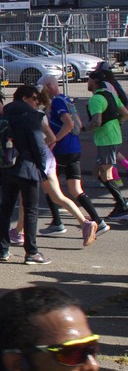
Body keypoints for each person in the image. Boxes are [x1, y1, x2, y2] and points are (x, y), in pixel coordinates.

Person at [38, 74, 111, 242]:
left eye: (43, 89)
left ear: (49, 86)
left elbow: (69, 123)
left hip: (62, 150)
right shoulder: (66, 99)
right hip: (74, 148)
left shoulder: (57, 102)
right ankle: (99, 222)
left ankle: (57, 222)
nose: (43, 93)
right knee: (75, 189)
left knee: (48, 186)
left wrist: (54, 140)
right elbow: (77, 121)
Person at [0, 85, 52, 265]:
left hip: (7, 165)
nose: (37, 101)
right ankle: (31, 252)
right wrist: (41, 167)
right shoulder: (31, 116)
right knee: (31, 209)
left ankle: (2, 249)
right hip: (27, 166)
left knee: (6, 208)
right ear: (25, 98)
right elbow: (38, 145)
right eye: (34, 98)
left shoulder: (4, 114)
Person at [85, 69, 128, 218]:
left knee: (105, 174)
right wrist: (117, 123)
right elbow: (125, 114)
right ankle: (121, 203)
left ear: (94, 81)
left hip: (106, 140)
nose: (88, 82)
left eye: (89, 79)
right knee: (97, 172)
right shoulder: (110, 95)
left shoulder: (96, 99)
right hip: (113, 138)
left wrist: (83, 129)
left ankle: (122, 206)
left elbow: (96, 121)